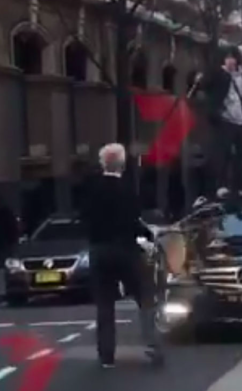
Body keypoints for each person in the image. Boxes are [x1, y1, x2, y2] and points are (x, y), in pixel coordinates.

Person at [79, 143, 164, 368]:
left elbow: (84, 219)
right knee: (145, 297)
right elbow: (133, 222)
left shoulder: (91, 189)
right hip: (125, 251)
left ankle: (106, 356)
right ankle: (152, 345)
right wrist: (150, 234)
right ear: (123, 165)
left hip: (99, 251)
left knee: (105, 305)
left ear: (102, 164)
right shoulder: (127, 190)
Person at [196, 47, 242, 195]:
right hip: (225, 119)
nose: (230, 61)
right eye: (227, 58)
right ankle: (222, 185)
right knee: (223, 153)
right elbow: (206, 87)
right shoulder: (219, 74)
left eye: (233, 58)